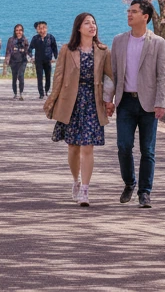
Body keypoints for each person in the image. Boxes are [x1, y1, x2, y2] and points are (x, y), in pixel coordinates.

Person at [44, 13, 113, 207]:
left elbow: (109, 77)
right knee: (73, 147)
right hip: (71, 103)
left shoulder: (103, 50)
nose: (92, 26)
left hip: (92, 102)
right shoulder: (67, 50)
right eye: (87, 23)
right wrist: (52, 101)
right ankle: (76, 181)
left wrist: (109, 100)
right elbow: (58, 77)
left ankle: (85, 190)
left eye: (94, 23)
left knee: (87, 147)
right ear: (79, 28)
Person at [109, 0, 165, 209]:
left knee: (148, 150)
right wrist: (109, 99)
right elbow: (113, 73)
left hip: (149, 103)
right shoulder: (119, 41)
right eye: (128, 11)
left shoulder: (158, 42)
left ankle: (145, 192)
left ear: (145, 17)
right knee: (123, 146)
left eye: (134, 11)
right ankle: (129, 183)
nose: (129, 14)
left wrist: (161, 102)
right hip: (125, 101)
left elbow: (163, 75)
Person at [29, 21, 59, 99]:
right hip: (38, 60)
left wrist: (55, 57)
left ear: (46, 28)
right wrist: (31, 56)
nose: (42, 30)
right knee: (39, 77)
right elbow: (30, 48)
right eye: (40, 28)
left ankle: (46, 90)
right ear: (38, 29)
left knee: (48, 76)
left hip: (48, 60)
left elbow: (54, 48)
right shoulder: (35, 38)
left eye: (43, 28)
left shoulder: (50, 37)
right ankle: (41, 93)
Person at [3, 24, 30, 100]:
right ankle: (15, 93)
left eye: (20, 30)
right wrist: (7, 60)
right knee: (14, 77)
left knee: (21, 75)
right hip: (13, 61)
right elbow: (8, 51)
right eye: (17, 30)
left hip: (22, 61)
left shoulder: (25, 40)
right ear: (14, 31)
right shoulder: (11, 40)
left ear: (22, 31)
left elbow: (28, 51)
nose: (18, 32)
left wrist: (30, 57)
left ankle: (21, 93)